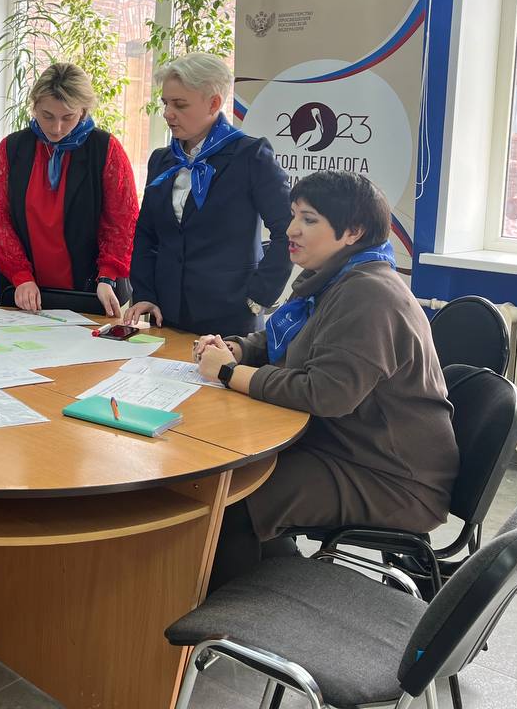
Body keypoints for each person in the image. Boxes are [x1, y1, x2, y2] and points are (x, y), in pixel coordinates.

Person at [194, 171, 459, 589]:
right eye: (294, 215)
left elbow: (325, 394)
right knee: (236, 477)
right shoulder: (335, 278)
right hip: (346, 445)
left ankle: (241, 614)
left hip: (389, 476)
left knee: (237, 497)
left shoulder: (369, 295)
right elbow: (291, 339)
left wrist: (229, 373)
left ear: (353, 232)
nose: (291, 229)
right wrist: (237, 350)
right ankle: (271, 579)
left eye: (309, 219)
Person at [125, 52, 292, 336]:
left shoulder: (251, 155)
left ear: (213, 103)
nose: (167, 113)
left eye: (179, 104)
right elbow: (146, 235)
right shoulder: (161, 160)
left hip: (230, 317)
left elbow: (287, 230)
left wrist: (260, 295)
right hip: (166, 313)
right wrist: (144, 293)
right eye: (165, 103)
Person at [0, 62, 138, 317]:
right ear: (34, 106)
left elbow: (123, 221)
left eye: (68, 117)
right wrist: (21, 275)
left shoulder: (106, 149)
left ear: (83, 111)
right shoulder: (12, 149)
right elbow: (0, 220)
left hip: (95, 291)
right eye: (47, 116)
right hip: (26, 291)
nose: (56, 128)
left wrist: (107, 275)